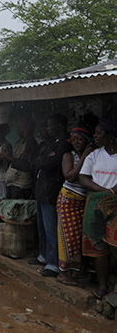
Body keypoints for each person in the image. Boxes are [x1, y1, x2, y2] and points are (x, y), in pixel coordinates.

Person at [29, 114, 72, 278]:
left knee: (51, 228)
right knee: (42, 227)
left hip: (51, 191)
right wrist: (43, 160)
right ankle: (44, 256)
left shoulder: (64, 144)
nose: (47, 129)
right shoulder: (51, 144)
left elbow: (50, 163)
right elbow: (37, 160)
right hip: (42, 190)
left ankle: (54, 263)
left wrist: (43, 160)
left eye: (49, 125)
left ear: (59, 126)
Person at [79, 118, 117, 300]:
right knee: (97, 245)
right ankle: (102, 286)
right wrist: (106, 192)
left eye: (99, 132)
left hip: (115, 206)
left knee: (114, 243)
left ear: (110, 136)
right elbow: (83, 178)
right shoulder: (94, 155)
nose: (95, 136)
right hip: (95, 204)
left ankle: (113, 283)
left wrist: (111, 194)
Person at [55, 126, 94, 288]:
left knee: (78, 238)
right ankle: (62, 273)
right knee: (67, 238)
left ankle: (75, 271)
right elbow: (69, 176)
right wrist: (84, 156)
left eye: (80, 139)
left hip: (83, 201)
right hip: (68, 200)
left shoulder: (92, 157)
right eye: (74, 139)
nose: (76, 142)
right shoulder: (68, 156)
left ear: (87, 141)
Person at [1, 118, 40, 199]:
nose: (17, 130)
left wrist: (11, 159)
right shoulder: (20, 141)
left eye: (20, 128)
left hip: (21, 185)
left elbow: (29, 165)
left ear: (26, 129)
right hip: (12, 182)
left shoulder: (31, 144)